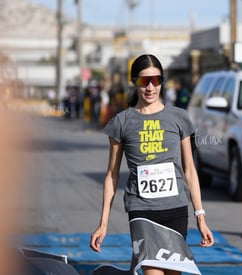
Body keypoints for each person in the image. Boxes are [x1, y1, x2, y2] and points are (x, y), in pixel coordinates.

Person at [90, 54, 214, 275]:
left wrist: (201, 218)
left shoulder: (179, 117)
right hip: (142, 211)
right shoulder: (122, 122)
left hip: (175, 211)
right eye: (143, 81)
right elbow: (111, 175)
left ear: (162, 81)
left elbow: (190, 170)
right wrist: (103, 223)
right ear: (134, 82)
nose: (149, 87)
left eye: (155, 80)